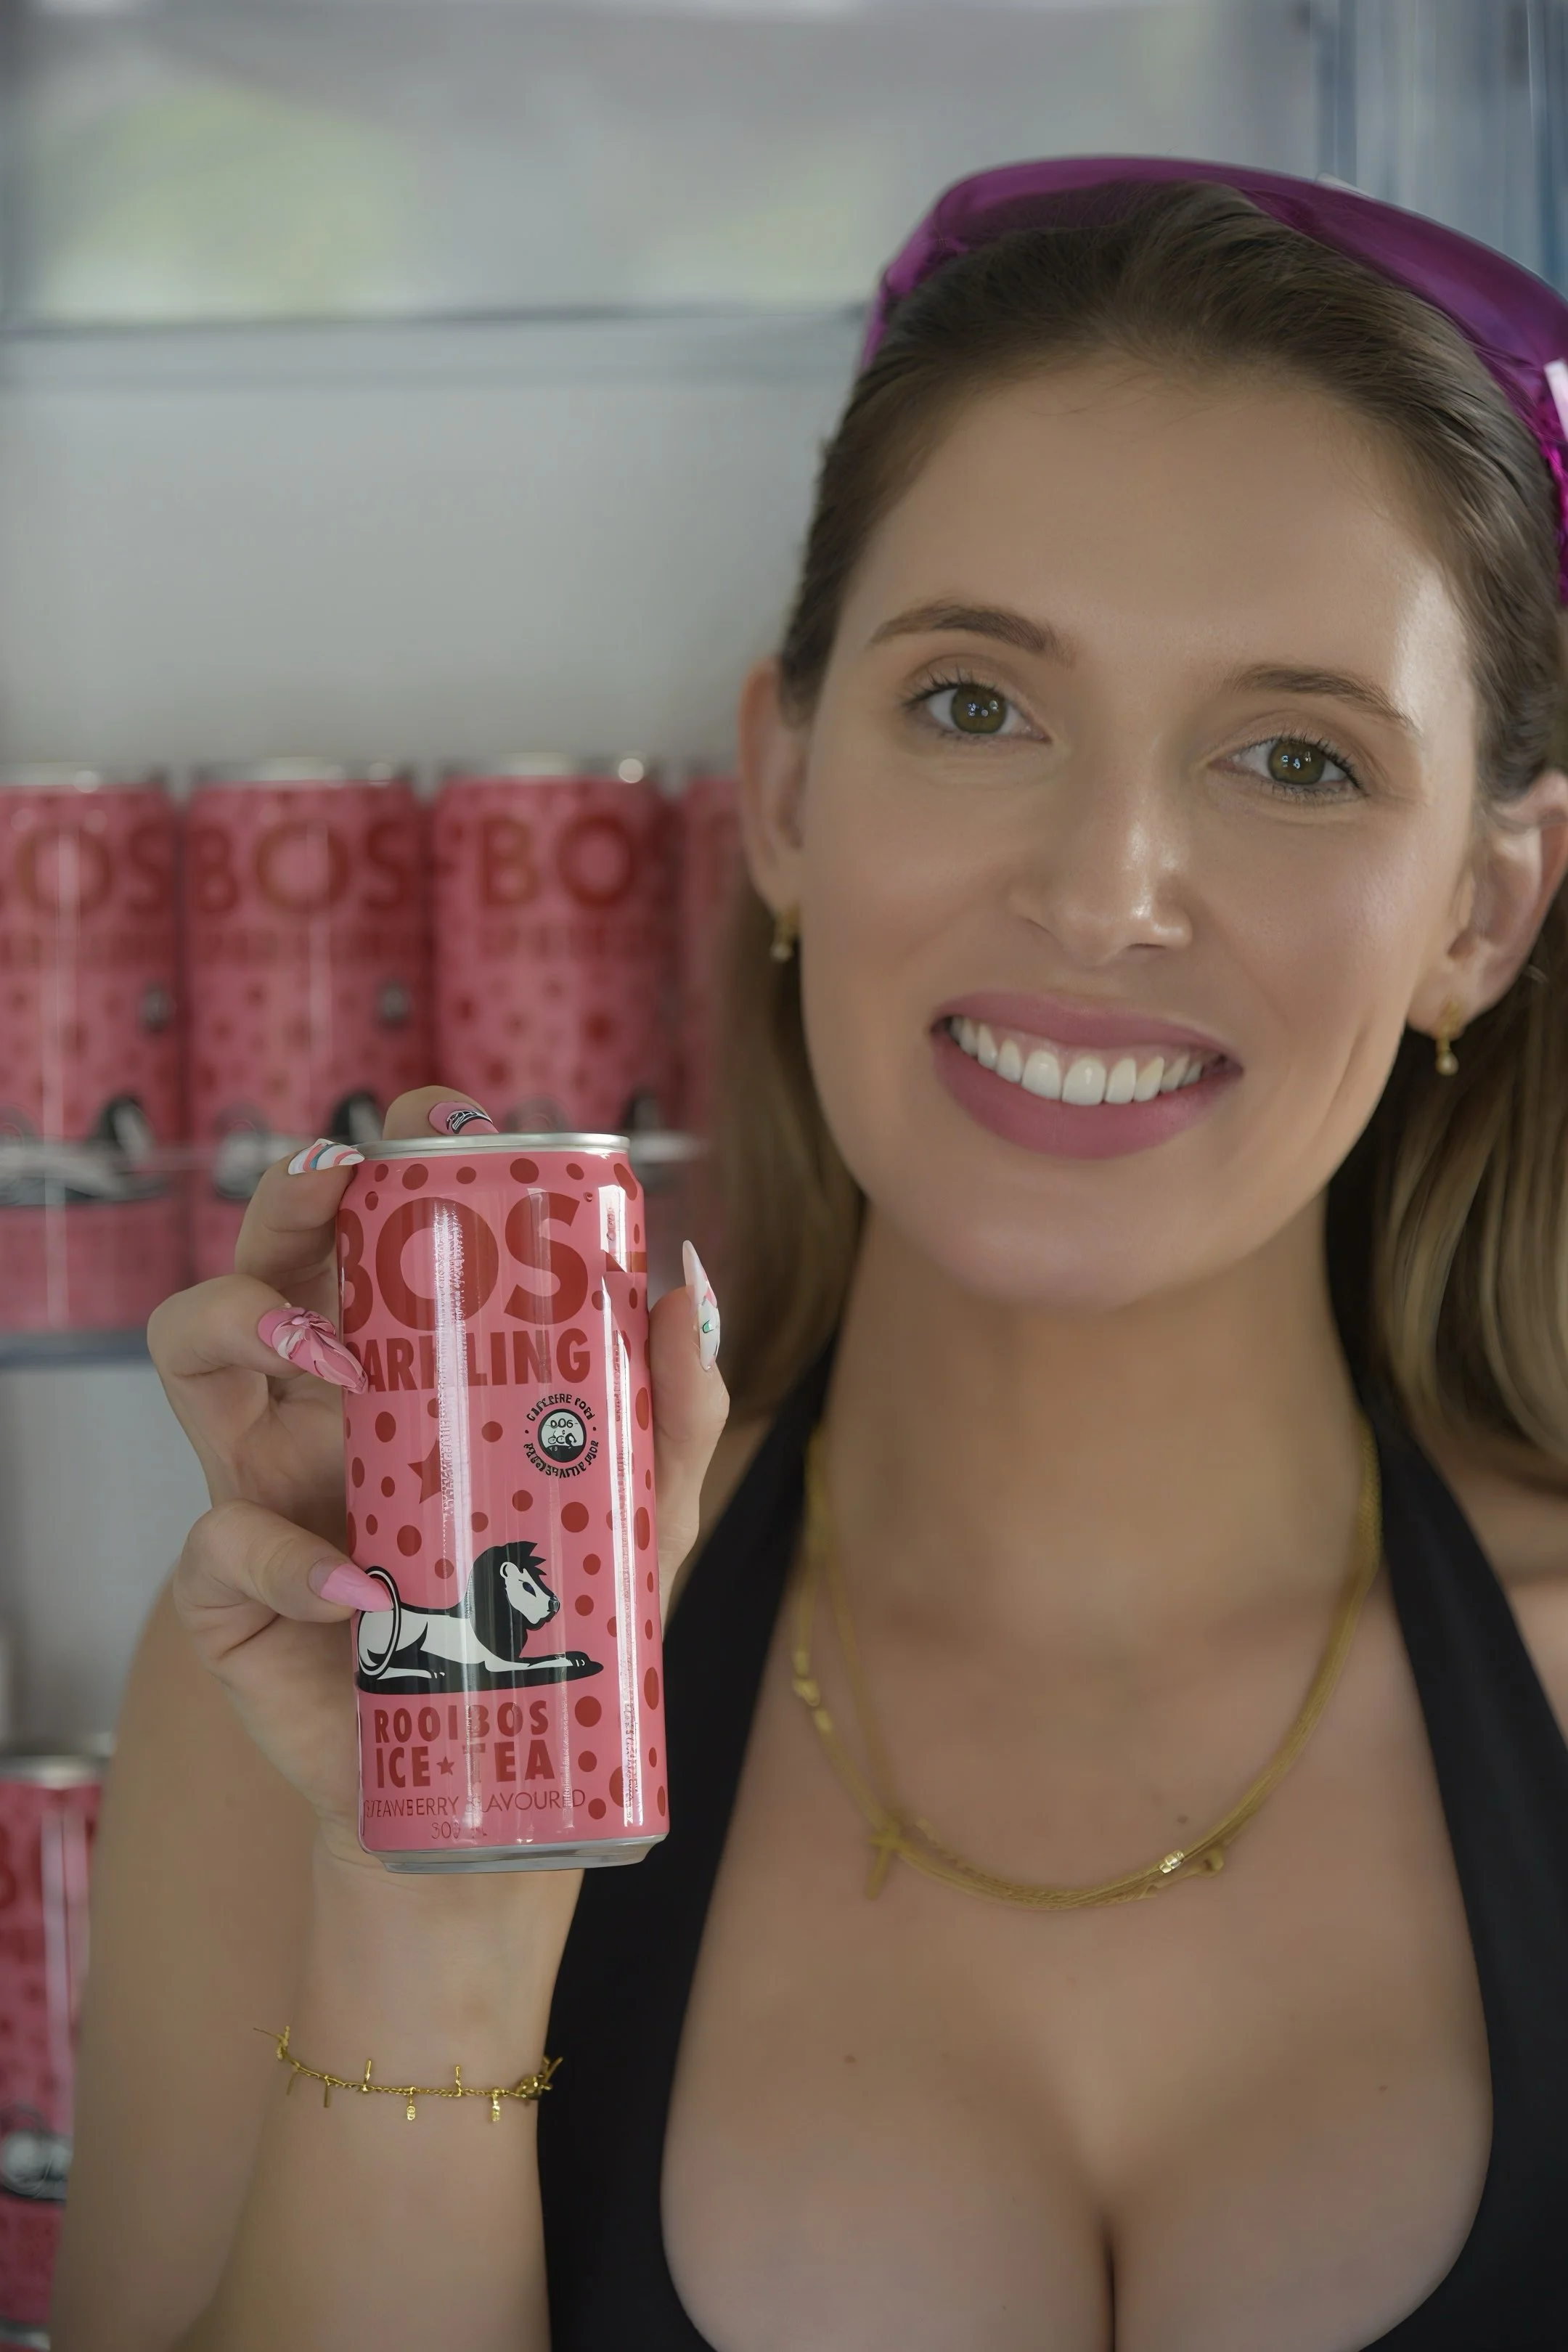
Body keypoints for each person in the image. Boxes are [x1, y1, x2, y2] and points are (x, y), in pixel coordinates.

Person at [52, 158, 1568, 2351]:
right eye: (977, 705)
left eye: (1297, 757)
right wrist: (437, 1927)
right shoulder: (341, 1684)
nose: (1104, 887)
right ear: (783, 788)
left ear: (1484, 918)